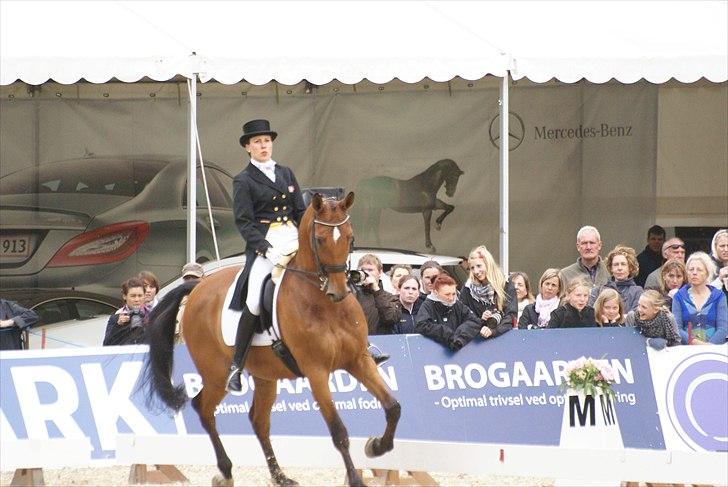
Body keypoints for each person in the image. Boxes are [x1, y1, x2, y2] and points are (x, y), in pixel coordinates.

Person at [226, 119, 307, 392]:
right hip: (266, 242)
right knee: (254, 299)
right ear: (248, 148)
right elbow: (244, 222)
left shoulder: (286, 173)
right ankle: (236, 366)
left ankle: (363, 345)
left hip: (293, 236)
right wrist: (265, 248)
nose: (264, 146)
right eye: (258, 142)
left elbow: (300, 212)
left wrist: (309, 237)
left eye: (267, 141)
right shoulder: (243, 180)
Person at [459, 245, 517, 340]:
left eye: (479, 266)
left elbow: (511, 315)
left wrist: (493, 331)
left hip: (503, 337)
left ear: (488, 264)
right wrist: (481, 320)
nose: (476, 271)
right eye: (472, 268)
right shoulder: (468, 288)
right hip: (477, 338)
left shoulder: (505, 283)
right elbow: (463, 314)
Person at [672, 251, 728, 345]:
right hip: (685, 352)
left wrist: (709, 346)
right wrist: (696, 343)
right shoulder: (678, 297)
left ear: (707, 272)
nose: (694, 273)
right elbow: (676, 328)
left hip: (715, 352)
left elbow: (723, 328)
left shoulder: (719, 296)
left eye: (699, 270)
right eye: (691, 269)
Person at [415, 274, 482, 351]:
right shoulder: (427, 305)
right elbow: (421, 325)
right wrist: (445, 333)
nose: (451, 298)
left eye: (453, 294)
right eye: (447, 294)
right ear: (435, 293)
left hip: (460, 347)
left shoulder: (458, 305)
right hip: (433, 351)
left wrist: (459, 336)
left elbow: (474, 321)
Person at [354, 253, 401, 336]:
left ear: (379, 273)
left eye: (370, 270)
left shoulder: (390, 298)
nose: (366, 273)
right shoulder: (353, 295)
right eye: (363, 270)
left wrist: (376, 291)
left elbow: (390, 318)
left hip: (380, 345)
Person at [589, 245, 643, 311]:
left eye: (623, 264)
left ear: (630, 268)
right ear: (611, 268)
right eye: (616, 264)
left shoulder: (637, 292)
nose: (619, 268)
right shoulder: (598, 291)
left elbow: (635, 317)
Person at [103, 277, 149, 346]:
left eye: (140, 296)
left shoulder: (150, 315)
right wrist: (118, 326)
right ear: (125, 296)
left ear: (144, 296)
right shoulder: (116, 318)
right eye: (133, 296)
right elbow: (107, 345)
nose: (137, 299)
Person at [175, 262, 205, 344]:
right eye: (187, 278)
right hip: (181, 352)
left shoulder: (210, 302)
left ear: (203, 278)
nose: (191, 281)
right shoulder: (176, 305)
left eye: (194, 277)